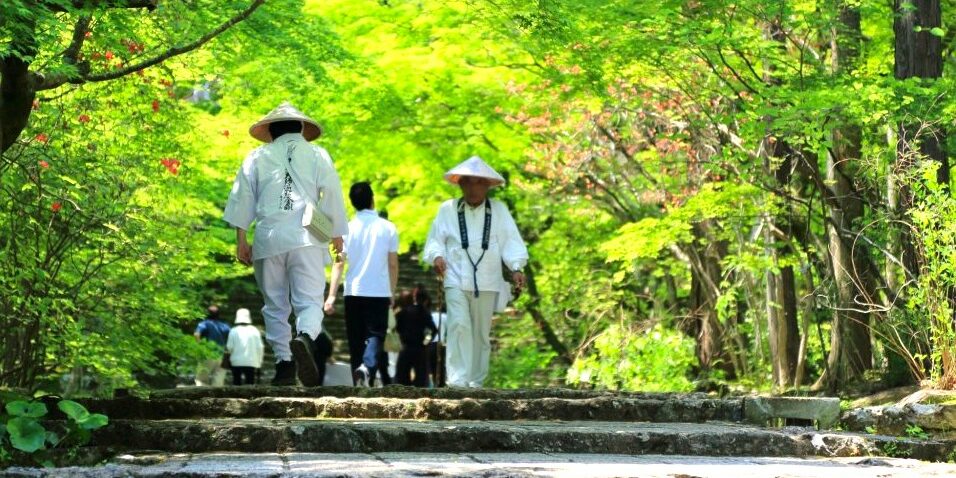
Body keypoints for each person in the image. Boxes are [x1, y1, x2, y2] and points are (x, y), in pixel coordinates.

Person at [223, 101, 348, 386]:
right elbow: (331, 193)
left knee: (275, 305)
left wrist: (241, 239)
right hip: (309, 237)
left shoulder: (256, 157)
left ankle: (283, 363)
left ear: (271, 131)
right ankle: (304, 336)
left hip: (269, 237)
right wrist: (337, 234)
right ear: (301, 129)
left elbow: (242, 197)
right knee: (310, 300)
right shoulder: (317, 154)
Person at [423, 156, 528, 388]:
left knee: (480, 333)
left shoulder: (499, 211)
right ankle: (457, 382)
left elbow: (511, 242)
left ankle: (476, 382)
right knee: (458, 325)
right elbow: (434, 241)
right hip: (455, 277)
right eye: (468, 182)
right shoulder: (447, 210)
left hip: (487, 279)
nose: (473, 187)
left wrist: (516, 268)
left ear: (488, 186)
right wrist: (437, 257)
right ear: (460, 184)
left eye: (479, 182)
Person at [324, 182, 399, 387]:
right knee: (376, 335)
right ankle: (366, 370)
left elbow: (339, 262)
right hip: (378, 292)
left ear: (353, 203)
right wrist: (391, 292)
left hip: (353, 291)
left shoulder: (348, 228)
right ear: (372, 199)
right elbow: (393, 265)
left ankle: (360, 380)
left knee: (355, 338)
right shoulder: (388, 228)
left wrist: (331, 295)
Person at [395, 286, 438, 387]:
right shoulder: (424, 312)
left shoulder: (404, 311)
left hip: (406, 346)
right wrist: (427, 341)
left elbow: (397, 327)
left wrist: (402, 337)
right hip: (420, 347)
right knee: (421, 377)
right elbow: (434, 329)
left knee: (402, 376)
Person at [225, 308, 265, 385]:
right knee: (250, 382)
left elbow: (229, 347)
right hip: (251, 361)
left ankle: (236, 396)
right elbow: (260, 347)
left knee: (236, 382)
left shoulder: (233, 331)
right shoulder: (254, 330)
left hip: (236, 361)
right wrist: (260, 361)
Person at [194, 305, 231, 386]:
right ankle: (217, 397)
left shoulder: (204, 324)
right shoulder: (224, 325)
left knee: (201, 379)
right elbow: (231, 337)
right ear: (219, 314)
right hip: (221, 355)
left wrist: (200, 347)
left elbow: (197, 334)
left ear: (207, 314)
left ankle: (201, 395)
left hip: (207, 354)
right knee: (218, 379)